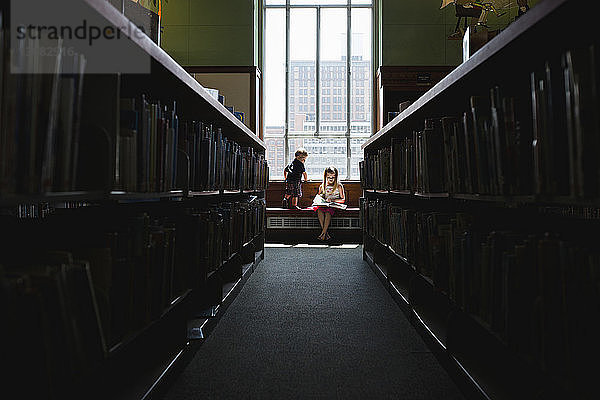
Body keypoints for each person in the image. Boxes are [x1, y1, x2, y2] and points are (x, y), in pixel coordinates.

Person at [315, 166, 345, 241]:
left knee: (328, 212)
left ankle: (323, 233)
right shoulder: (322, 186)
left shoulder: (339, 186)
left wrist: (333, 200)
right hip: (325, 204)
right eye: (328, 177)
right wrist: (320, 199)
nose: (331, 179)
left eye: (333, 177)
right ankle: (325, 234)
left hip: (334, 205)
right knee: (319, 210)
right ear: (325, 177)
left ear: (336, 177)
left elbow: (343, 199)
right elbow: (319, 196)